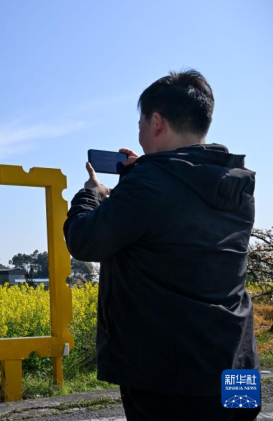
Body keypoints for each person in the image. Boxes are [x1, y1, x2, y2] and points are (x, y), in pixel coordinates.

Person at [63, 70, 259, 420]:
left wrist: (90, 195)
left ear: (156, 122)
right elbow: (172, 217)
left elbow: (84, 240)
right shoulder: (235, 184)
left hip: (171, 376)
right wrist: (140, 174)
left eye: (140, 123)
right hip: (238, 366)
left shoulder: (150, 184)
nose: (139, 134)